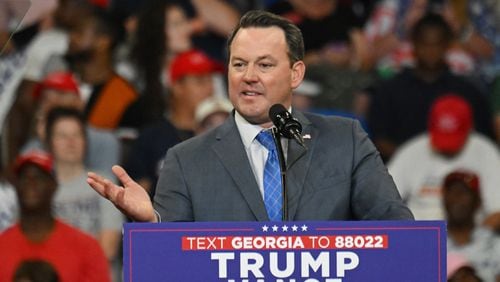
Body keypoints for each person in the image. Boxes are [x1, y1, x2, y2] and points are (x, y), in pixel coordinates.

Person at [87, 10, 413, 222]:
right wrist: (153, 223)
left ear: (296, 74)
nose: (249, 76)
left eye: (265, 65)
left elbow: (397, 227)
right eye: (239, 64)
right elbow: (173, 258)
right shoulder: (186, 160)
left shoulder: (345, 141)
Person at [368, 13, 494, 161]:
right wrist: (415, 161)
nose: (430, 51)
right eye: (424, 44)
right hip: (401, 172)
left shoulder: (467, 92)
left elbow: (482, 140)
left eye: (437, 45)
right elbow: (378, 139)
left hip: (455, 172)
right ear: (414, 44)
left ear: (447, 45)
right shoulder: (389, 90)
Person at [388, 95, 500, 230]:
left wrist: (473, 244)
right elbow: (383, 204)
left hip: (469, 238)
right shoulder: (411, 151)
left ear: (470, 128)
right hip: (417, 237)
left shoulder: (486, 152)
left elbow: (497, 212)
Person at [0, 150, 110, 282]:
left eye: (38, 177)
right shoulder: (2, 245)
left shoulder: (86, 248)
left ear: (53, 185)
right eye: (24, 177)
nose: (31, 183)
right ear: (16, 186)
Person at [124, 49, 219, 195]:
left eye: (210, 80)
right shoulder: (151, 138)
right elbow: (137, 198)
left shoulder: (223, 133)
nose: (210, 88)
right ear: (177, 87)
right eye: (200, 81)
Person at [45, 108, 123, 265]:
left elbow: (108, 249)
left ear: (85, 141)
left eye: (77, 135)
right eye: (63, 136)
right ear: (49, 142)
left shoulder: (104, 184)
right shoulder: (37, 191)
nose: (71, 142)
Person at [443, 171, 500, 282]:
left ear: (477, 201)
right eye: (452, 192)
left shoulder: (494, 244)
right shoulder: (432, 243)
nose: (457, 198)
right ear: (444, 199)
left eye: (464, 192)